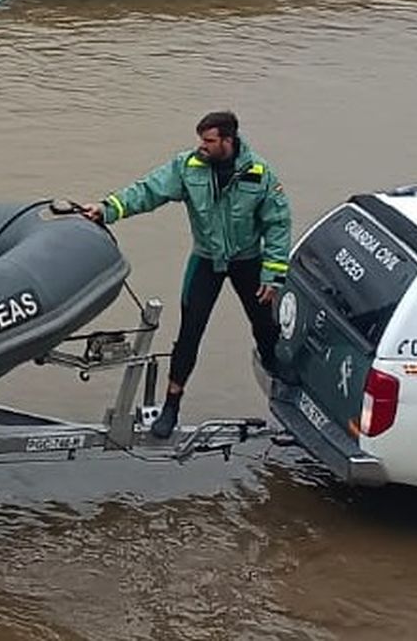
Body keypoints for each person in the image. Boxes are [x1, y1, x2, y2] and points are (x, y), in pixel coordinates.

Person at [81, 111, 291, 440]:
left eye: (209, 141)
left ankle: (276, 367)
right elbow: (148, 191)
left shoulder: (259, 174)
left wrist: (272, 273)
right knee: (190, 333)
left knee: (264, 324)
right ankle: (171, 405)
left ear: (228, 141)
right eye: (200, 140)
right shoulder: (188, 167)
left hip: (248, 260)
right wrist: (107, 209)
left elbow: (277, 223)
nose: (201, 146)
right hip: (206, 260)